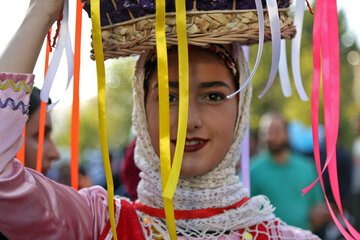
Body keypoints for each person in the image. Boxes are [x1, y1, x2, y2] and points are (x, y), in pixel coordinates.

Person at [0, 0, 320, 239]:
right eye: (169, 97)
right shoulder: (101, 224)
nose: (189, 121)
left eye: (213, 96)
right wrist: (39, 14)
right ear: (141, 109)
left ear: (241, 109)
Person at [250, 112, 324, 230]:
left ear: (288, 134)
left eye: (277, 131)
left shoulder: (306, 167)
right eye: (266, 132)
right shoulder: (251, 171)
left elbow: (316, 205)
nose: (272, 136)